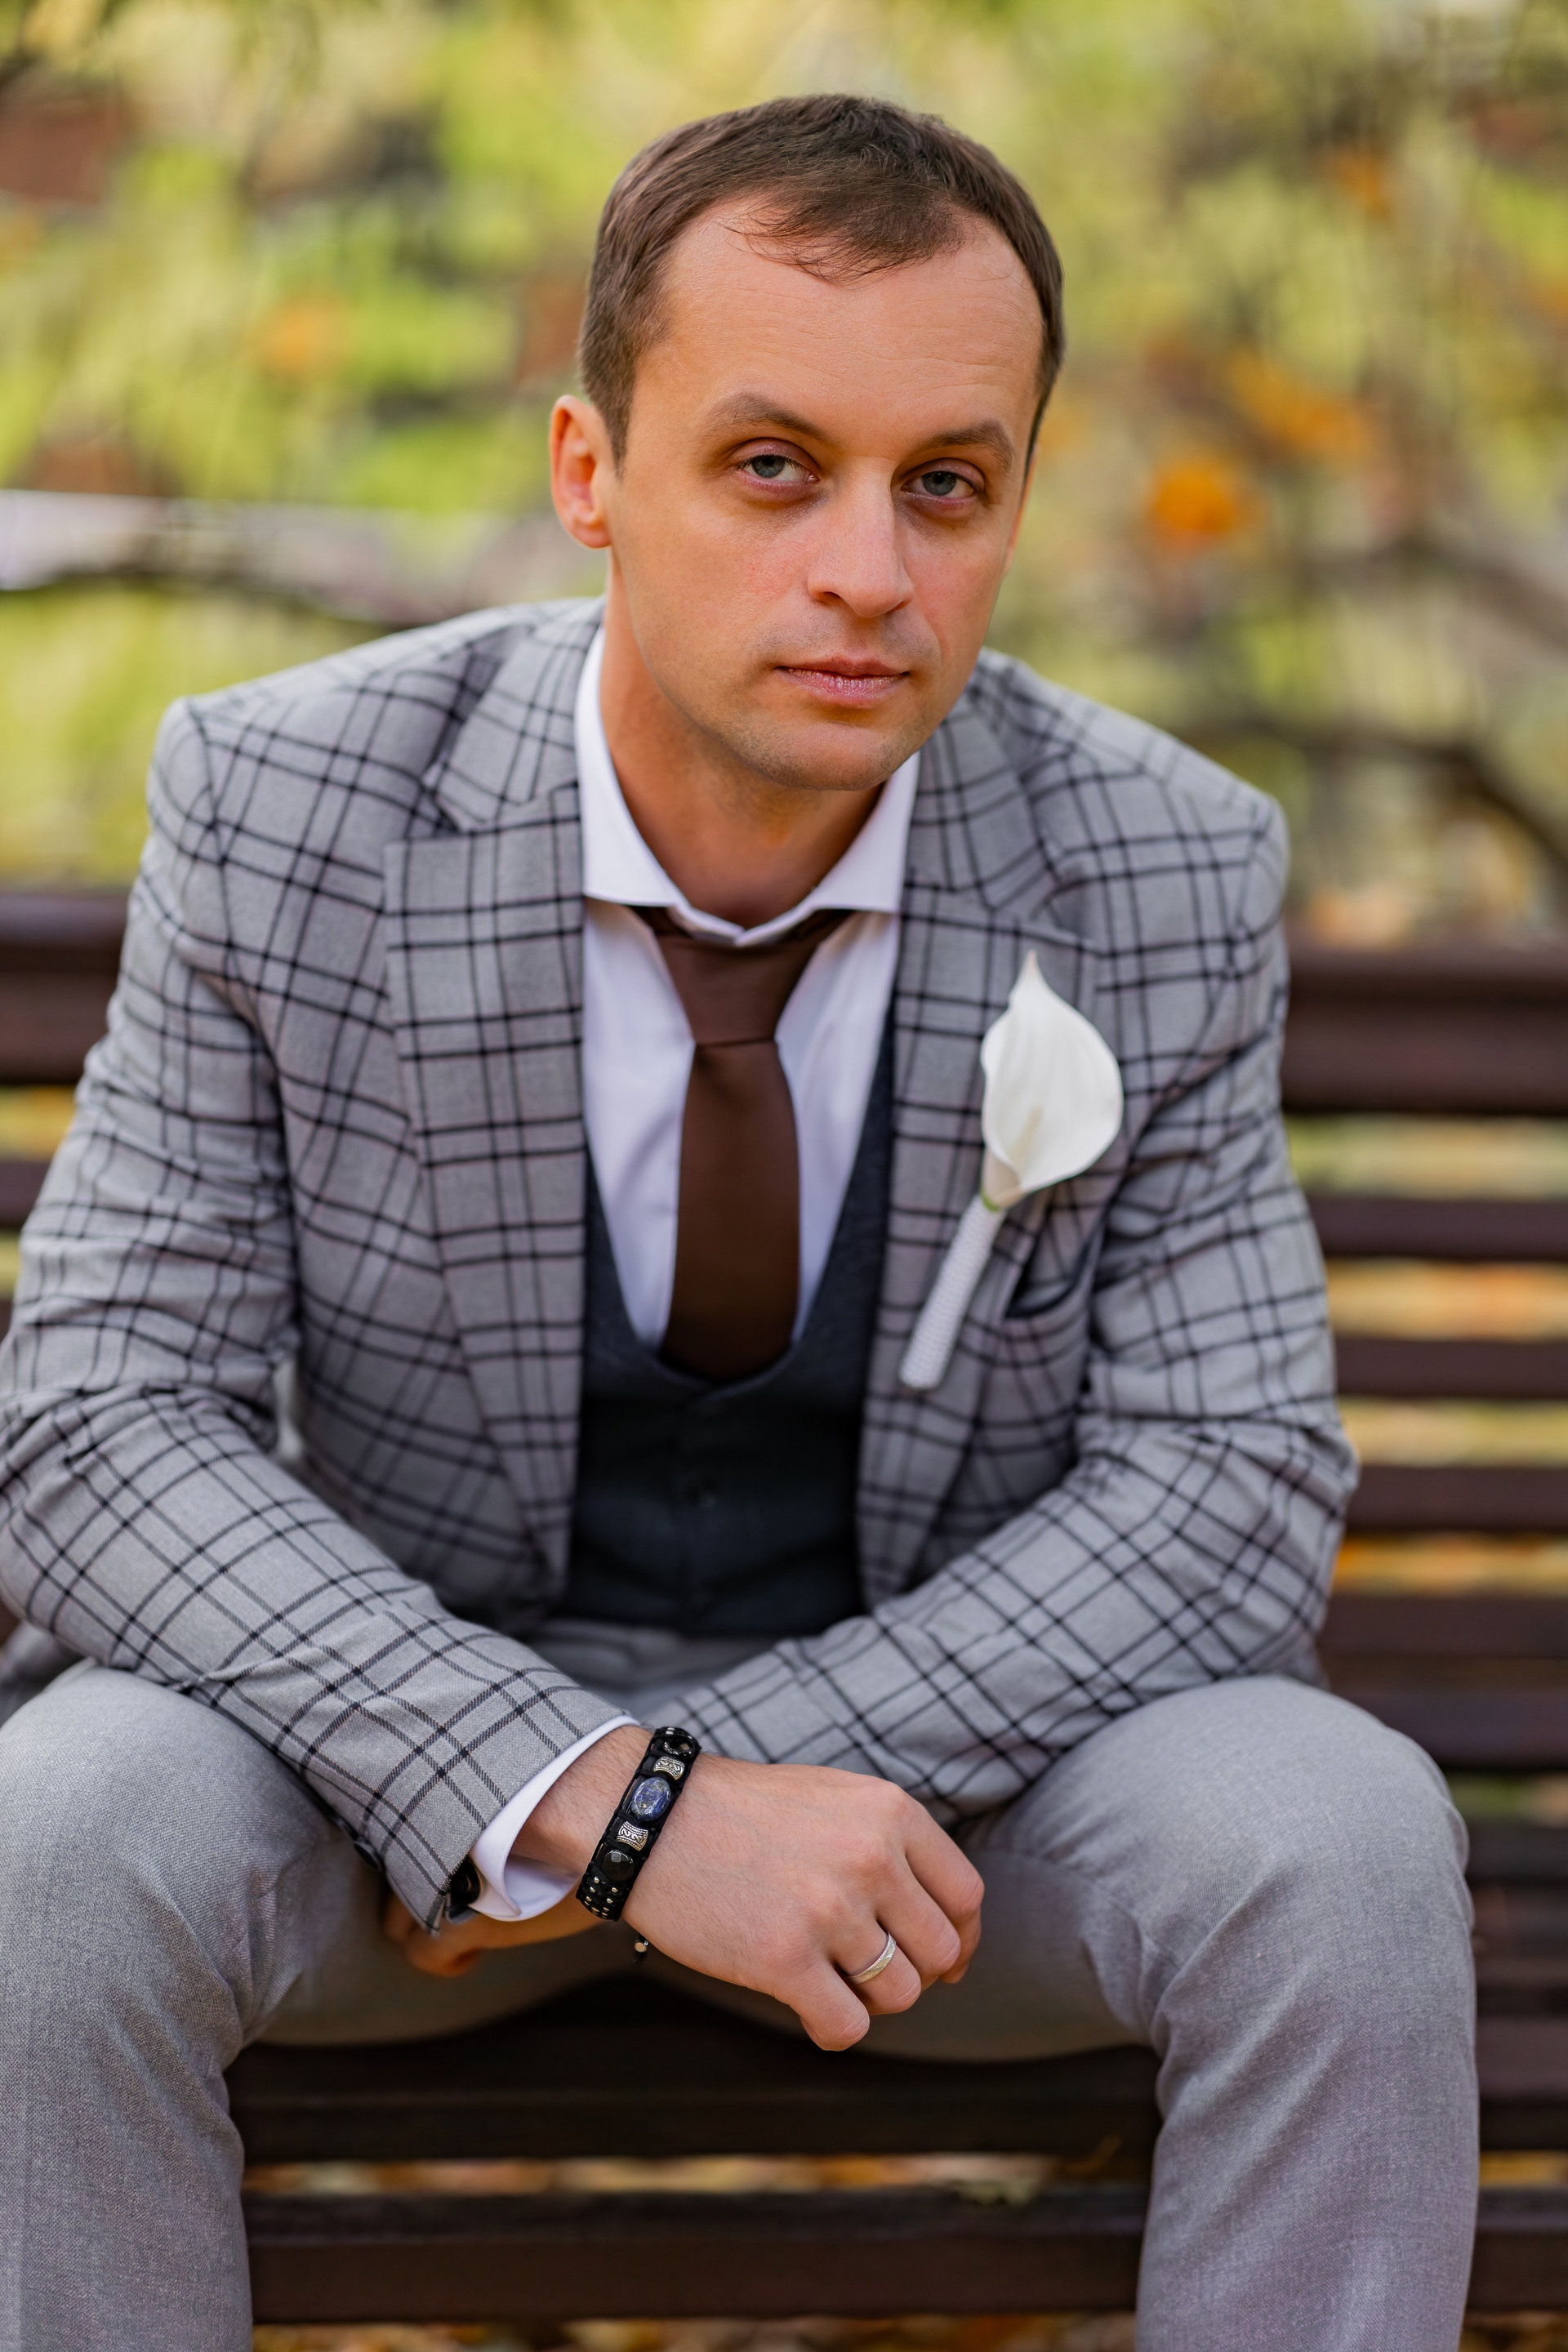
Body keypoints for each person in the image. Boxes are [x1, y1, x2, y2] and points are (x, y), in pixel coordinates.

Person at [0, 93, 1475, 2352]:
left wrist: (717, 1794)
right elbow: (103, 1420)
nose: (870, 569)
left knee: (1340, 1841)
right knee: (51, 1841)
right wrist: (574, 1794)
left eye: (946, 484)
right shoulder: (290, 803)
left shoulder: (1160, 860)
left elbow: (1229, 1484)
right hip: (390, 1813)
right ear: (592, 471)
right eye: (776, 465)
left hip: (942, 1826)